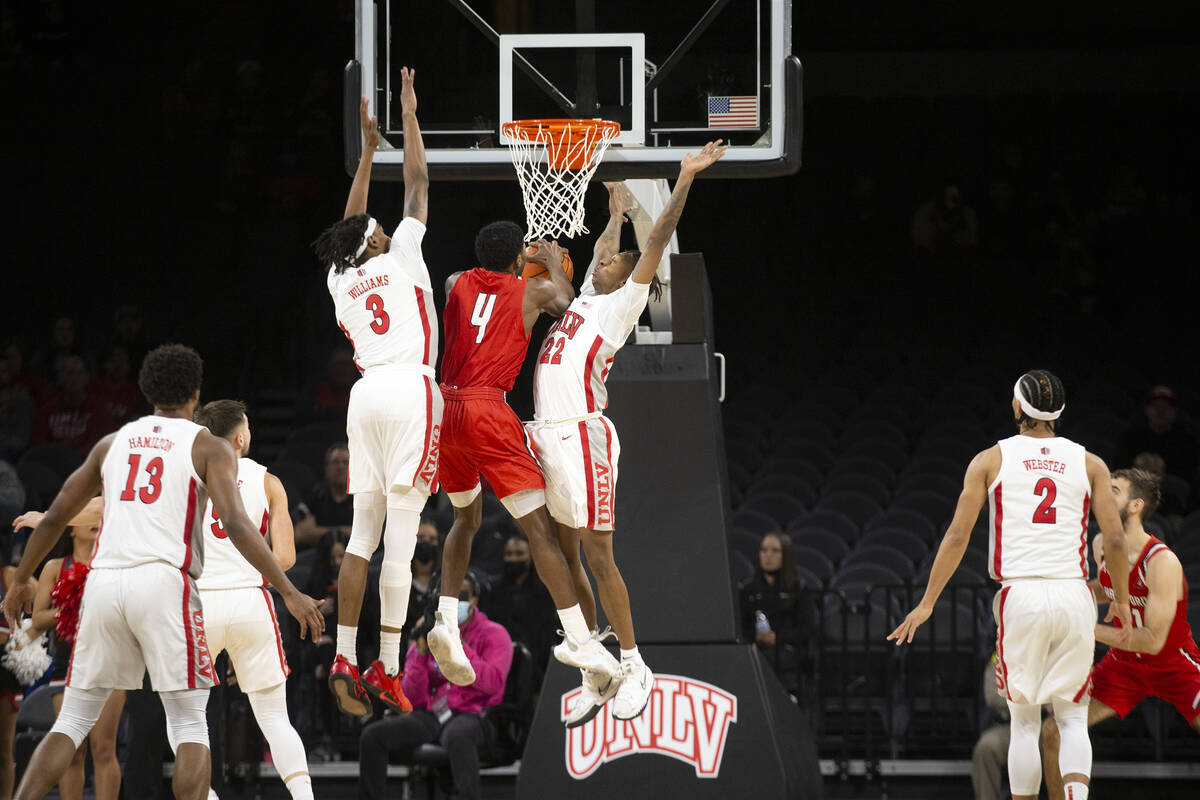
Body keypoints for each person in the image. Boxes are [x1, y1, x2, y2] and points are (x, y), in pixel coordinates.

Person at [0, 343, 323, 800]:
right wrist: (288, 591)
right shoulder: (207, 446)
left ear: (146, 390)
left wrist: (18, 584)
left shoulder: (113, 443)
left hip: (105, 583)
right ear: (195, 392)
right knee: (191, 722)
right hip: (166, 585)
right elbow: (236, 524)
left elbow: (56, 517)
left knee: (72, 721)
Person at [524, 151, 727, 724]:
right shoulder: (587, 293)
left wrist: (683, 177)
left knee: (598, 554)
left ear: (627, 275)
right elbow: (597, 252)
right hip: (546, 435)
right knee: (566, 553)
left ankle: (637, 663)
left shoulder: (620, 305)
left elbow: (657, 236)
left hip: (584, 437)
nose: (607, 259)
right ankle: (597, 663)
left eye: (616, 260)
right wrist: (611, 213)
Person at [888, 370, 1132, 800]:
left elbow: (958, 536)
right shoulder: (1090, 462)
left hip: (1022, 595)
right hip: (1074, 593)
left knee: (1024, 720)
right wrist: (1122, 602)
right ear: (1058, 412)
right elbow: (1114, 538)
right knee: (1074, 718)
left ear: (1018, 407)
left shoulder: (990, 459)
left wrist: (927, 603)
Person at [429, 214, 615, 688]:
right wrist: (551, 263)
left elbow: (480, 287)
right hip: (488, 411)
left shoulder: (454, 282)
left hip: (444, 410)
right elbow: (570, 306)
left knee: (464, 521)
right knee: (541, 534)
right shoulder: (532, 290)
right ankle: (578, 637)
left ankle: (445, 620)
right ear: (518, 260)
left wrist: (519, 263)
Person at [310, 68, 442, 717]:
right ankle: (388, 665)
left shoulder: (342, 278)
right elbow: (417, 183)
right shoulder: (405, 254)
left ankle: (342, 654)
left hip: (364, 398)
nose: (386, 227)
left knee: (361, 537)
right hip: (411, 390)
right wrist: (410, 118)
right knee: (403, 534)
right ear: (377, 242)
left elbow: (349, 221)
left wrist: (365, 152)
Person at [1041, 468, 1200, 799]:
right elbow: (1106, 587)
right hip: (1126, 665)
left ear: (1135, 505)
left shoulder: (1162, 562)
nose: (1102, 493)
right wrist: (1069, 599)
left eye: (1113, 490)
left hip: (1173, 662)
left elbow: (1154, 641)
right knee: (1053, 731)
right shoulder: (1101, 544)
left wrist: (1085, 627)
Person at [192, 399, 312, 800]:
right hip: (250, 601)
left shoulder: (189, 476)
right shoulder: (267, 480)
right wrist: (246, 574)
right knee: (275, 717)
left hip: (199, 603)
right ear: (241, 437)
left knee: (187, 720)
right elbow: (287, 558)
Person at [359, 572, 512, 800]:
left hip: (475, 714)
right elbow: (412, 698)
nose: (454, 602)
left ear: (474, 600)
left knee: (458, 734)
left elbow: (492, 683)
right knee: (373, 735)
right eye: (447, 596)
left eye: (461, 596)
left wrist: (459, 646)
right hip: (433, 714)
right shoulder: (430, 633)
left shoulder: (494, 634)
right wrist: (420, 650)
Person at [14, 499, 121, 800]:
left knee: (103, 747)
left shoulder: (113, 560)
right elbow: (38, 618)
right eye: (85, 515)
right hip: (68, 662)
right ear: (71, 530)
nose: (93, 519)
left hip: (110, 658)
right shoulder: (55, 567)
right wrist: (72, 609)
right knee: (73, 749)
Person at [479, 533, 557, 690]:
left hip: (537, 667)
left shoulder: (545, 593)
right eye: (509, 554)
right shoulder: (492, 591)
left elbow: (547, 634)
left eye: (519, 554)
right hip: (500, 660)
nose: (513, 559)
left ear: (531, 557)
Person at [737, 531, 802, 700]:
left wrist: (777, 637)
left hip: (787, 650)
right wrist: (756, 638)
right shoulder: (748, 589)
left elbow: (808, 628)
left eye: (775, 551)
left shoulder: (798, 588)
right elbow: (739, 627)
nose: (768, 555)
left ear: (786, 556)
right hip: (754, 649)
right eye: (764, 550)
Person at [30, 356, 115, 457]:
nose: (73, 379)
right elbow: (37, 443)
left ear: (86, 377)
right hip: (51, 464)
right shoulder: (47, 409)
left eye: (78, 374)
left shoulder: (99, 409)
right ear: (60, 378)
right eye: (69, 374)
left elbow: (100, 443)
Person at [1116, 386, 1198, 483]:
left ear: (1174, 412)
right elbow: (1118, 471)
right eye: (1155, 406)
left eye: (1166, 407)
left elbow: (1188, 477)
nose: (1160, 411)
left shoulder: (1187, 442)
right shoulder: (1130, 437)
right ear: (1147, 409)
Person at [293, 444, 353, 549]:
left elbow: (370, 537)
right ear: (327, 469)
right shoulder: (315, 496)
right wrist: (346, 531)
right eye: (335, 462)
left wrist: (317, 532)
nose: (340, 467)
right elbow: (299, 535)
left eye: (345, 462)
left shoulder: (362, 498)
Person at [972, 652, 1012, 800]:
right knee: (986, 748)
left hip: (1046, 725)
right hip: (1009, 727)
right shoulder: (1002, 650)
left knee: (1059, 744)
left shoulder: (1050, 644)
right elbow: (992, 695)